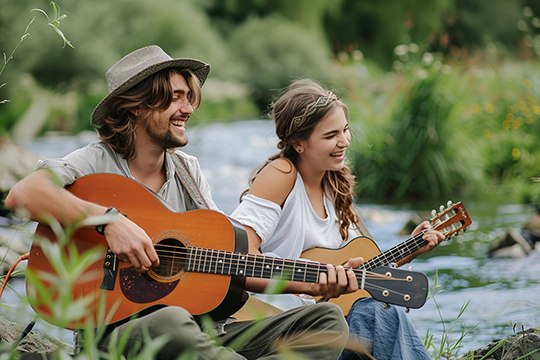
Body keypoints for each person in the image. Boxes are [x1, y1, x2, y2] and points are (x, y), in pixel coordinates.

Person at [6, 46, 352, 360]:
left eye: (189, 97)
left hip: (205, 328)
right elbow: (24, 194)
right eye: (174, 98)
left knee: (325, 321)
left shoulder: (189, 172)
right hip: (118, 328)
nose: (187, 108)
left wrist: (314, 283)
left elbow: (231, 264)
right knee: (170, 321)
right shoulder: (94, 163)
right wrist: (110, 222)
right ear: (137, 106)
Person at [230, 79, 446, 360]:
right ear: (298, 143)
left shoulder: (336, 185)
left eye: (345, 130)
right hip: (279, 326)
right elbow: (240, 259)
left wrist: (410, 249)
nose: (344, 141)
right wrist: (313, 283)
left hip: (330, 321)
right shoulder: (281, 174)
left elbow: (356, 274)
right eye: (331, 135)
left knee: (376, 308)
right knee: (375, 311)